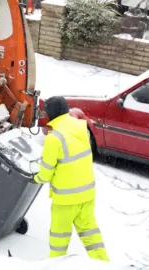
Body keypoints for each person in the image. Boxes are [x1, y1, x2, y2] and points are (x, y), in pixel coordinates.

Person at [33, 96, 109, 261]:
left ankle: (55, 265)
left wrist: (36, 178)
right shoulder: (81, 128)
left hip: (65, 200)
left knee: (59, 239)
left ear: (51, 114)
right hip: (87, 194)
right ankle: (103, 264)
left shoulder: (54, 138)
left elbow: (46, 173)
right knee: (90, 233)